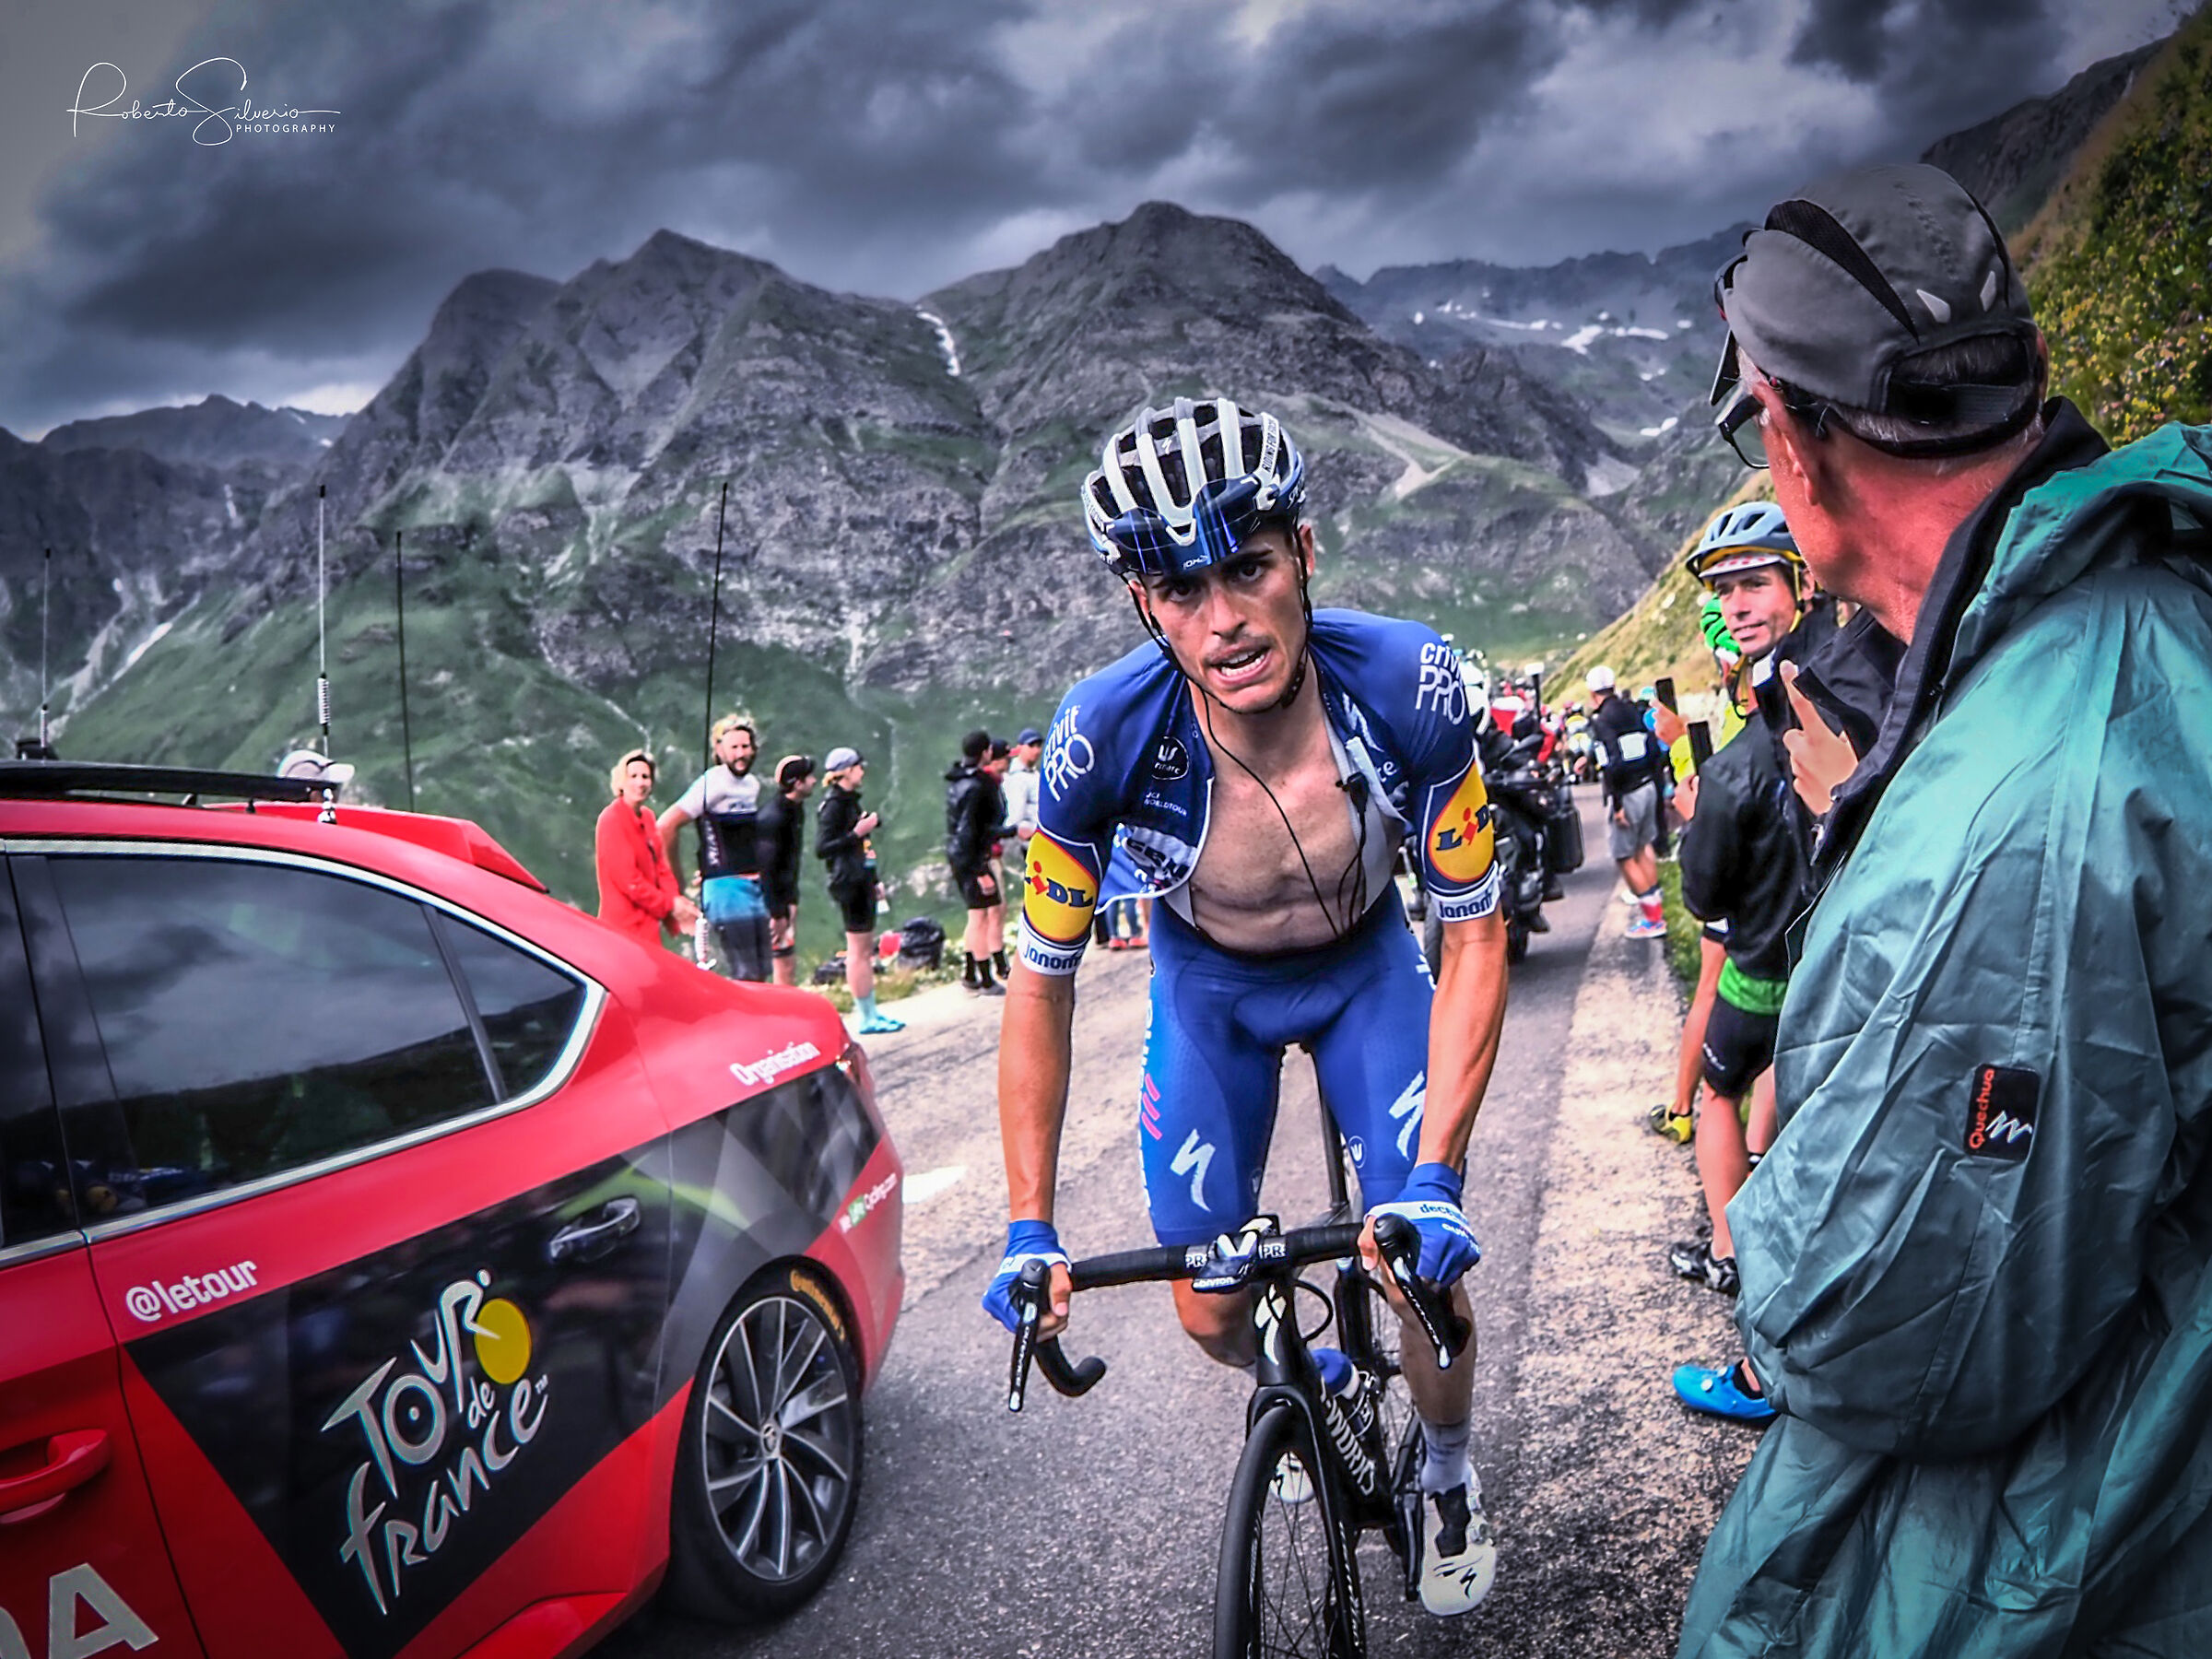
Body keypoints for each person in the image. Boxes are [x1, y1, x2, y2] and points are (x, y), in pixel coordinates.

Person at [1677, 163, 2212, 1658]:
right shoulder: (2151, 596)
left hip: (2102, 1530)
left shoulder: (2018, 797)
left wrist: (1771, 1237)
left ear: (1789, 437)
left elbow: (1897, 1338)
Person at [983, 397, 1512, 1616]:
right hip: (1210, 988)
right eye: (1178, 591)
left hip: (1368, 966)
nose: (1221, 620)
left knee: (1417, 1268)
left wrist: (1435, 1173)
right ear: (1140, 605)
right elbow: (1041, 984)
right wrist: (1028, 1225)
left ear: (1305, 554)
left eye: (1248, 568)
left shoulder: (1409, 685)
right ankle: (1311, 1380)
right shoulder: (1098, 739)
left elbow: (1475, 928)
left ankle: (1443, 1470)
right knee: (1210, 1305)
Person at [1659, 504, 1809, 1306]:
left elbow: (1703, 894)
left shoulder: (1737, 766)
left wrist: (1698, 820)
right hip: (1827, 959)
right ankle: (1766, 1174)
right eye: (1725, 590)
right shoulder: (1851, 687)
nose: (1736, 604)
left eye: (1753, 584)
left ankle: (1729, 1247)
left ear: (1801, 582)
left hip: (1760, 965)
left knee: (1720, 1089)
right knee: (1786, 1067)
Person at [659, 714, 771, 982]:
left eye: (746, 747)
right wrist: (676, 882)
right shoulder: (712, 783)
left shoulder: (752, 784)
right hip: (726, 888)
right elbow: (665, 826)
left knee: (762, 971)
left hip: (755, 886)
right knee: (746, 974)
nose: (741, 754)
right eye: (734, 748)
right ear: (719, 751)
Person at [816, 747, 903, 1036]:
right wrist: (858, 831)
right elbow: (823, 847)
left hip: (861, 878)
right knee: (858, 952)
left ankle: (872, 1011)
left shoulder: (849, 802)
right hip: (848, 882)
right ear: (846, 771)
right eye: (858, 767)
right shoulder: (834, 806)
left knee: (865, 950)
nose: (862, 771)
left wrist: (873, 877)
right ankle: (866, 1016)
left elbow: (860, 847)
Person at [1585, 666, 1666, 937]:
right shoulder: (1630, 709)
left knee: (1624, 856)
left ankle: (1653, 919)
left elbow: (1611, 762)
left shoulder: (1602, 719)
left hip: (1627, 791)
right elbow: (1650, 746)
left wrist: (1617, 804)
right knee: (1644, 847)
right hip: (1647, 785)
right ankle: (1657, 908)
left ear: (1592, 693)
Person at [594, 748, 700, 949]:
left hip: (648, 928)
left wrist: (676, 900)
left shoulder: (648, 818)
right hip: (622, 928)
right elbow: (629, 881)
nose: (640, 783)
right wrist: (669, 905)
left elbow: (661, 867)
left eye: (645, 777)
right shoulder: (611, 820)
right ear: (621, 782)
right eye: (633, 776)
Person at [945, 729, 1008, 995]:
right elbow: (972, 831)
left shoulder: (957, 780)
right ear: (986, 752)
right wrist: (980, 869)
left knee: (976, 914)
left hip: (958, 854)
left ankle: (971, 974)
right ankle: (985, 978)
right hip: (972, 857)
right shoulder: (978, 786)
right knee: (983, 915)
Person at [757, 754, 817, 987]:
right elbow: (768, 868)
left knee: (787, 961)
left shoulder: (795, 810)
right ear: (797, 783)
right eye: (809, 777)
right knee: (780, 962)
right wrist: (777, 914)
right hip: (769, 903)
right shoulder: (774, 818)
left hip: (783, 898)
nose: (814, 781)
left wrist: (792, 900)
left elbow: (791, 861)